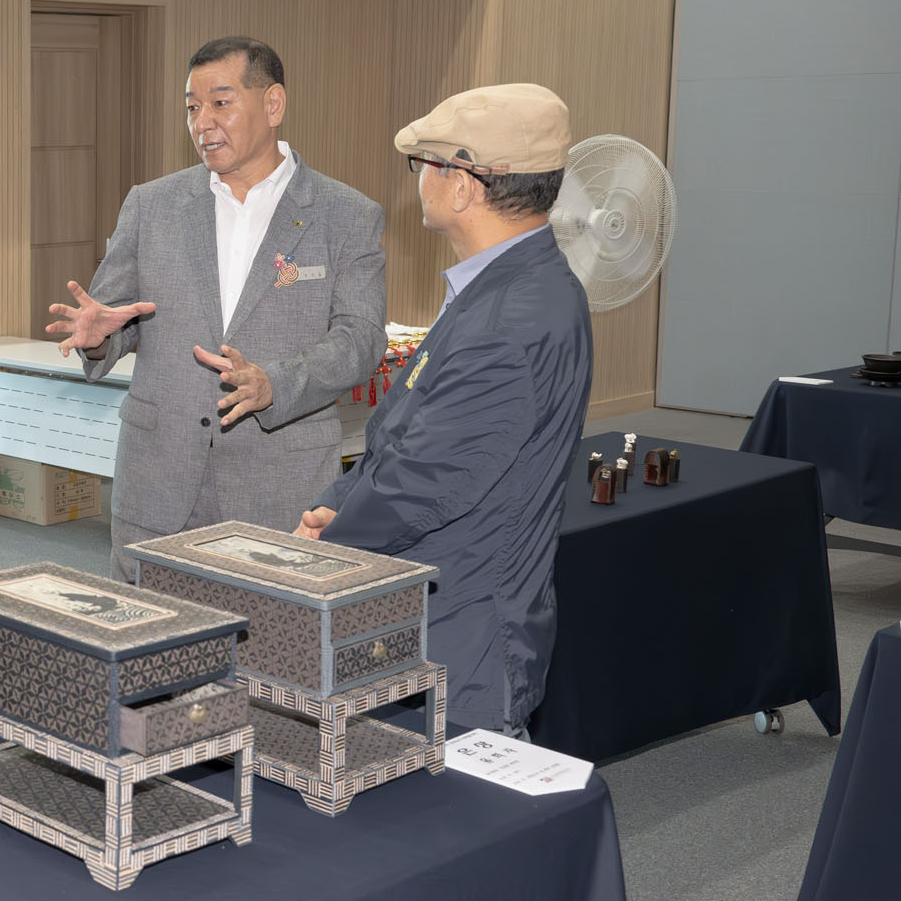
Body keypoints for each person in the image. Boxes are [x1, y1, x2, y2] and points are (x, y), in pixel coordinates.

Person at [297, 84, 593, 735]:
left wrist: (324, 550)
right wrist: (339, 501)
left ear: (461, 185)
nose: (421, 180)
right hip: (445, 610)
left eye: (425, 165)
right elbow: (404, 429)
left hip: (463, 636)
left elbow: (423, 485)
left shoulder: (509, 319)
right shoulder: (504, 287)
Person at [46, 36, 386, 578]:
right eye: (191, 108)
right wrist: (101, 338)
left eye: (220, 103)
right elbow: (117, 315)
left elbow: (361, 338)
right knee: (148, 628)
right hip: (159, 482)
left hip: (280, 488)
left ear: (273, 104)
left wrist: (275, 384)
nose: (202, 123)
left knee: (273, 631)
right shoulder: (152, 204)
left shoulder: (345, 215)